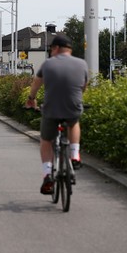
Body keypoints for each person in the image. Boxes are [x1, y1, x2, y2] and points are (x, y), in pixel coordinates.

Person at [25, 34, 88, 195]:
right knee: (74, 122)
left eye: (51, 49)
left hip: (51, 109)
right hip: (72, 106)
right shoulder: (82, 64)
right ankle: (75, 155)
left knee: (46, 140)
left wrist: (31, 99)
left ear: (56, 48)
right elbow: (83, 87)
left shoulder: (47, 65)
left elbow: (36, 84)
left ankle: (47, 175)